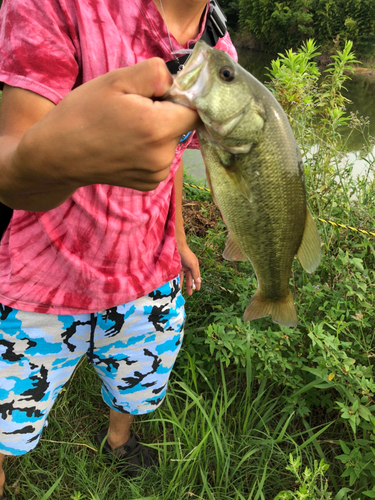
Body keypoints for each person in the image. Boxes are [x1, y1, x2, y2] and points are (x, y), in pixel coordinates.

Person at [0, 0, 236, 496]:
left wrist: (180, 241)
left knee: (137, 384)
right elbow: (10, 156)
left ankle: (118, 441)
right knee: (5, 420)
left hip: (148, 273)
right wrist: (54, 158)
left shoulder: (218, 48)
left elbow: (168, 160)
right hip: (36, 282)